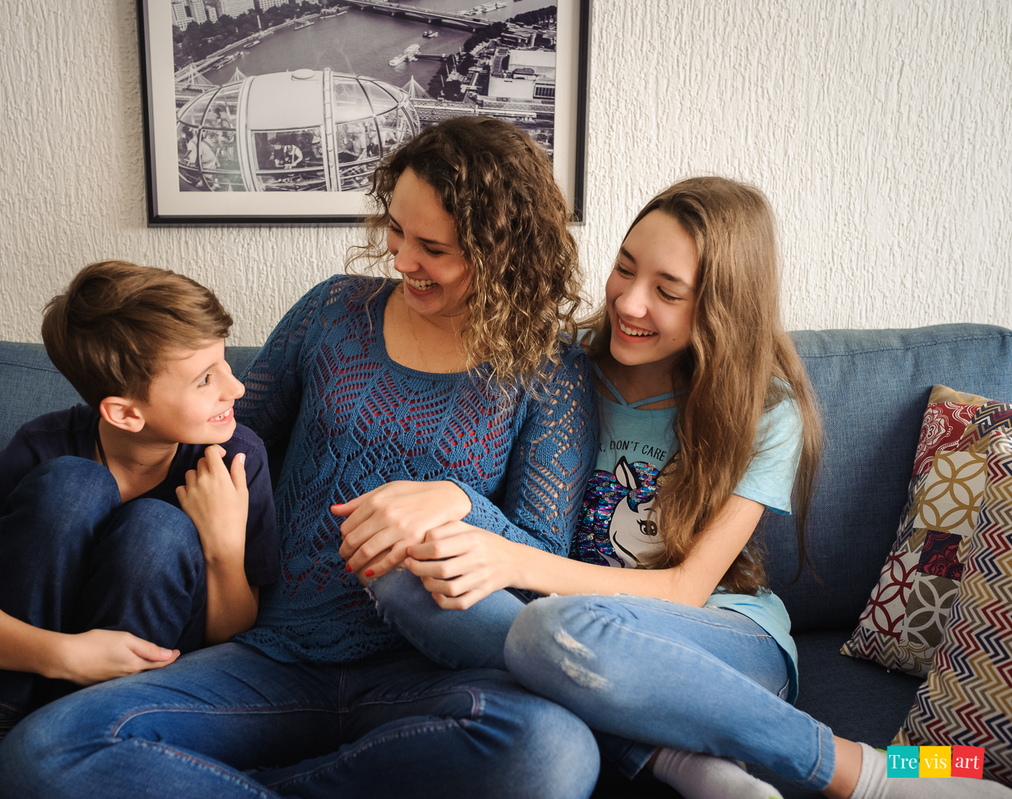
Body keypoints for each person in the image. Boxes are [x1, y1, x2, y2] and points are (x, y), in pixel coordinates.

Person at [0, 116, 602, 799]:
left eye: (432, 247)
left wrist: (463, 502)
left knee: (554, 753)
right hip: (271, 657)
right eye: (396, 230)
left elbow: (543, 562)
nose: (401, 260)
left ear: (503, 253)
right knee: (42, 751)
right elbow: (221, 435)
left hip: (430, 676)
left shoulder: (552, 373)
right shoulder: (333, 311)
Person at [369, 177, 1012, 799]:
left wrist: (512, 561)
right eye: (624, 269)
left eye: (667, 291)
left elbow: (684, 590)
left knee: (551, 629)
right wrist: (457, 504)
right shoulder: (559, 370)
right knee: (402, 575)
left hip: (717, 633)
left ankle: (862, 771)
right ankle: (683, 763)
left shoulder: (765, 410)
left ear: (720, 308)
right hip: (569, 642)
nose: (628, 303)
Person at [0, 260, 281, 799]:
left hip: (139, 690)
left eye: (224, 363)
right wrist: (63, 653)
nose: (236, 387)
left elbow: (232, 637)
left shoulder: (235, 459)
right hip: (39, 660)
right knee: (72, 484)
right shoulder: (41, 446)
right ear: (124, 414)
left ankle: (98, 742)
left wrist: (223, 546)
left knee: (156, 528)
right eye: (205, 379)